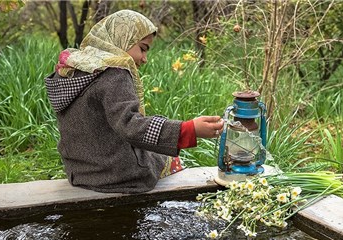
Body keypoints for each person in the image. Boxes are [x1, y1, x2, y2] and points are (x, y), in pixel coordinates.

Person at [44, 9, 223, 194]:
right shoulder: (114, 72)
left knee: (158, 154)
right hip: (117, 176)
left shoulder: (74, 68)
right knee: (168, 160)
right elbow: (130, 125)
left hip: (80, 172)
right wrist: (189, 129)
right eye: (143, 48)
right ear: (123, 38)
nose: (144, 59)